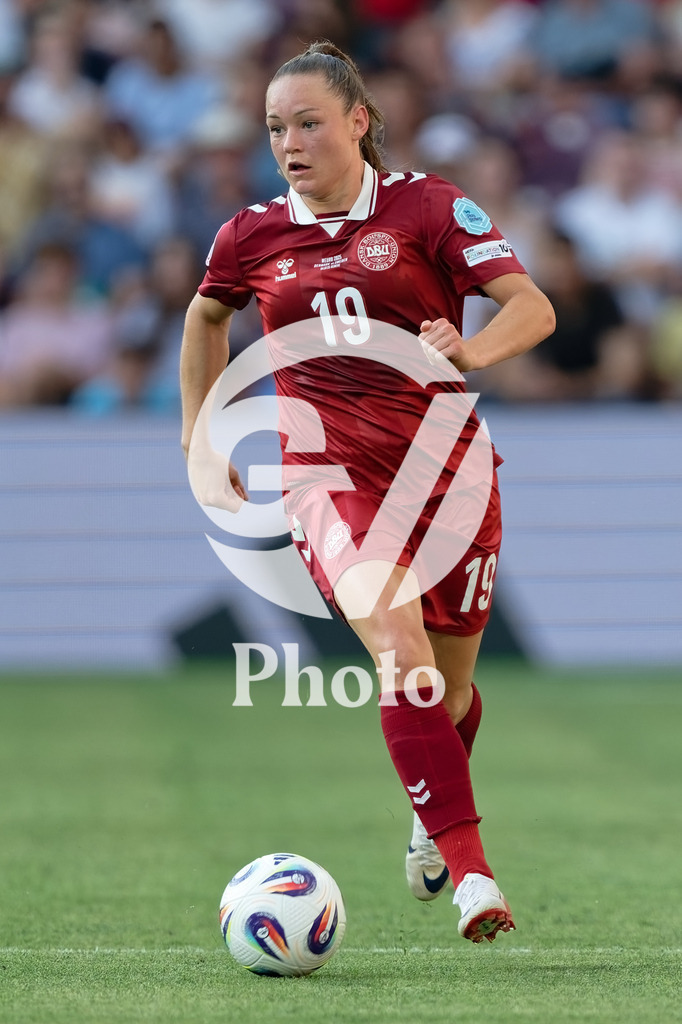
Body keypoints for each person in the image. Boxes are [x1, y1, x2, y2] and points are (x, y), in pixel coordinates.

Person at [180, 40, 554, 945]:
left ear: (359, 121)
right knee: (398, 647)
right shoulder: (250, 233)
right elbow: (205, 317)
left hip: (450, 474)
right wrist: (196, 435)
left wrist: (473, 349)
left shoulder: (433, 208)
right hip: (328, 479)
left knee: (452, 693)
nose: (289, 143)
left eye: (308, 122)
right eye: (276, 127)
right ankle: (472, 874)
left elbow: (530, 308)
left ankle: (431, 815)